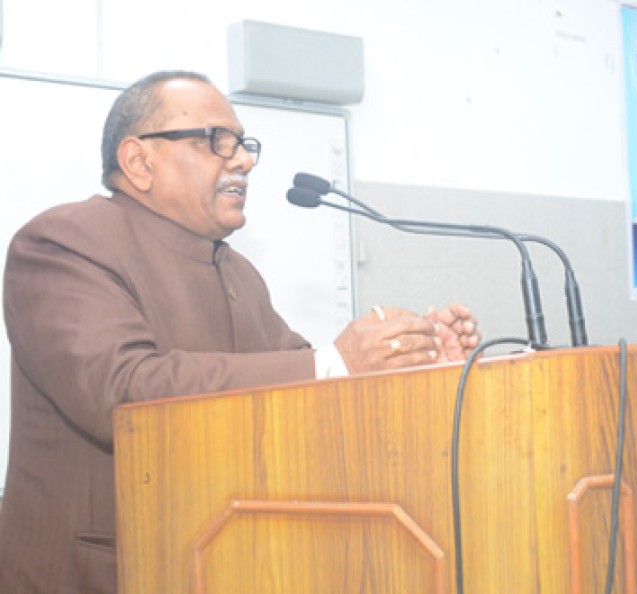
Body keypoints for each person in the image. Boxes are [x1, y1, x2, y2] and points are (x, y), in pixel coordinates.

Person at [0, 70, 481, 594]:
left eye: (243, 145)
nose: (243, 161)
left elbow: (315, 395)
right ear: (138, 161)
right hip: (103, 571)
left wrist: (418, 367)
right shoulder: (63, 244)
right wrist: (337, 362)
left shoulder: (237, 273)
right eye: (215, 141)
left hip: (221, 564)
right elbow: (121, 391)